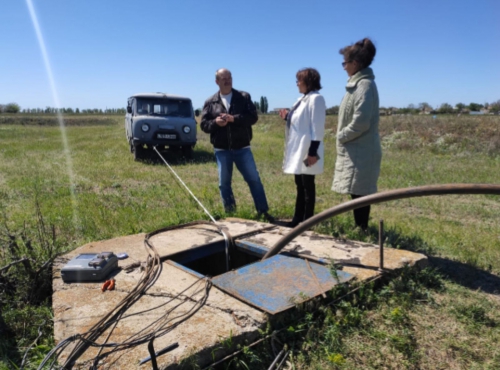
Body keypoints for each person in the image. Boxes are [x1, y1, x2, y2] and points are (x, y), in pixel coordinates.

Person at [201, 68, 274, 222]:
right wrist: (216, 122)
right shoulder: (210, 101)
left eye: (229, 77)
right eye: (223, 78)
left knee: (254, 180)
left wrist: (234, 119)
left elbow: (253, 117)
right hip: (221, 150)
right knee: (224, 184)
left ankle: (263, 212)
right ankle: (231, 216)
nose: (227, 80)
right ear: (217, 82)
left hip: (242, 148)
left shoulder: (243, 97)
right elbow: (204, 125)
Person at [332, 38, 382, 231]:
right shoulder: (357, 85)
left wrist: (341, 135)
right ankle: (360, 228)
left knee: (360, 192)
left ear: (355, 64)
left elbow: (361, 122)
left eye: (345, 63)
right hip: (357, 149)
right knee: (357, 192)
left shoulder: (365, 86)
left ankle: (361, 230)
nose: (343, 67)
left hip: (363, 150)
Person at [279, 68, 326, 228]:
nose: (297, 83)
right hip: (299, 151)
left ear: (308, 81)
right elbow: (299, 121)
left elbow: (317, 128)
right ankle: (297, 220)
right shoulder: (302, 99)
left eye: (299, 80)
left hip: (308, 151)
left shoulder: (316, 99)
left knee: (308, 186)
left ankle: (307, 222)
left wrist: (312, 153)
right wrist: (287, 116)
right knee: (300, 185)